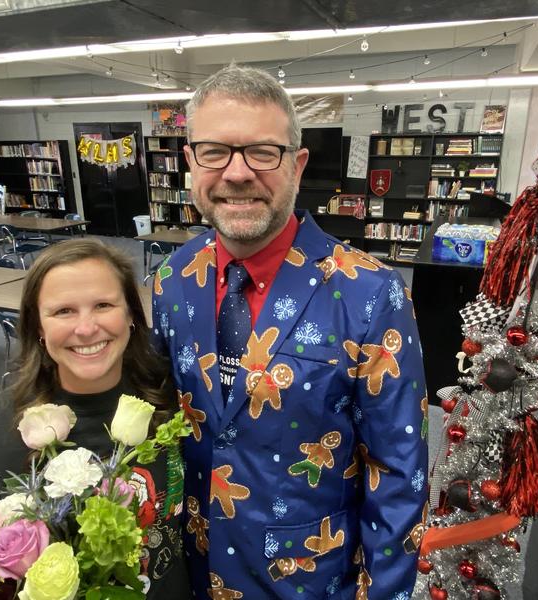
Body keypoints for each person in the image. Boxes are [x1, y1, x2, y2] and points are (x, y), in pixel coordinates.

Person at [152, 64, 428, 599]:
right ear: (190, 162)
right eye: (214, 151)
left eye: (262, 152)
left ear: (297, 165)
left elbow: (398, 475)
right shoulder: (173, 278)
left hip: (307, 581)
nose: (236, 173)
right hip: (190, 570)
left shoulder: (370, 294)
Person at [0, 239, 191, 599]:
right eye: (63, 311)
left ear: (130, 314)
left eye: (103, 305)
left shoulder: (176, 405)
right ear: (37, 326)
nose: (86, 328)